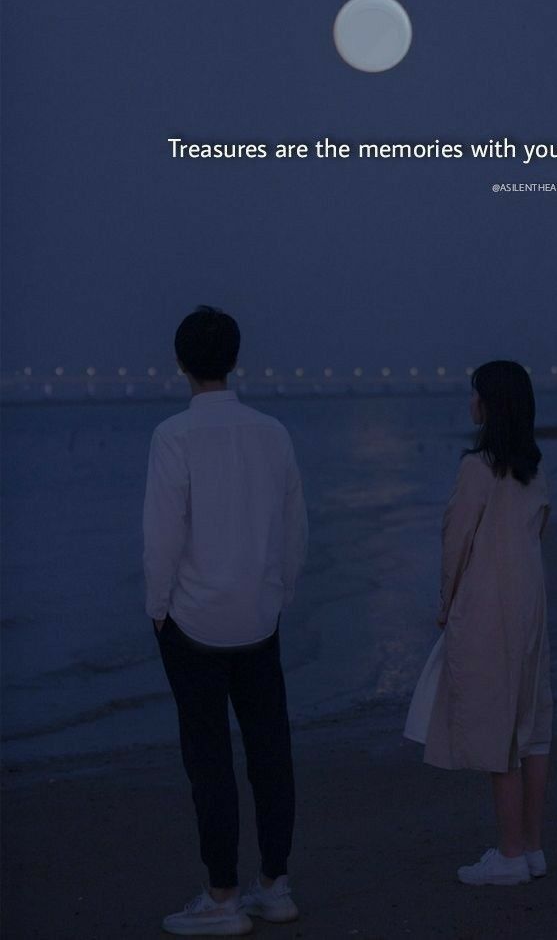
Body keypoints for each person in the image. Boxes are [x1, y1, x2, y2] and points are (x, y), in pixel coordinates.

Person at [143, 305, 308, 935]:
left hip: (194, 622)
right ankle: (274, 884)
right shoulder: (273, 432)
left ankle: (221, 897)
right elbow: (295, 527)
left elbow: (162, 539)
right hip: (259, 619)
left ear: (182, 362)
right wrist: (279, 594)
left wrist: (156, 607)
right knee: (271, 750)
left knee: (208, 757)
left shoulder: (173, 436)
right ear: (234, 359)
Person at [404, 360, 552, 886]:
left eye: (476, 394)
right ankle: (531, 848)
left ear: (491, 405)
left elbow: (455, 542)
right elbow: (538, 532)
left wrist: (445, 604)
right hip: (530, 605)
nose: (471, 402)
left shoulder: (477, 468)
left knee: (498, 730)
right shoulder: (533, 469)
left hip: (489, 607)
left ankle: (509, 854)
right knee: (531, 729)